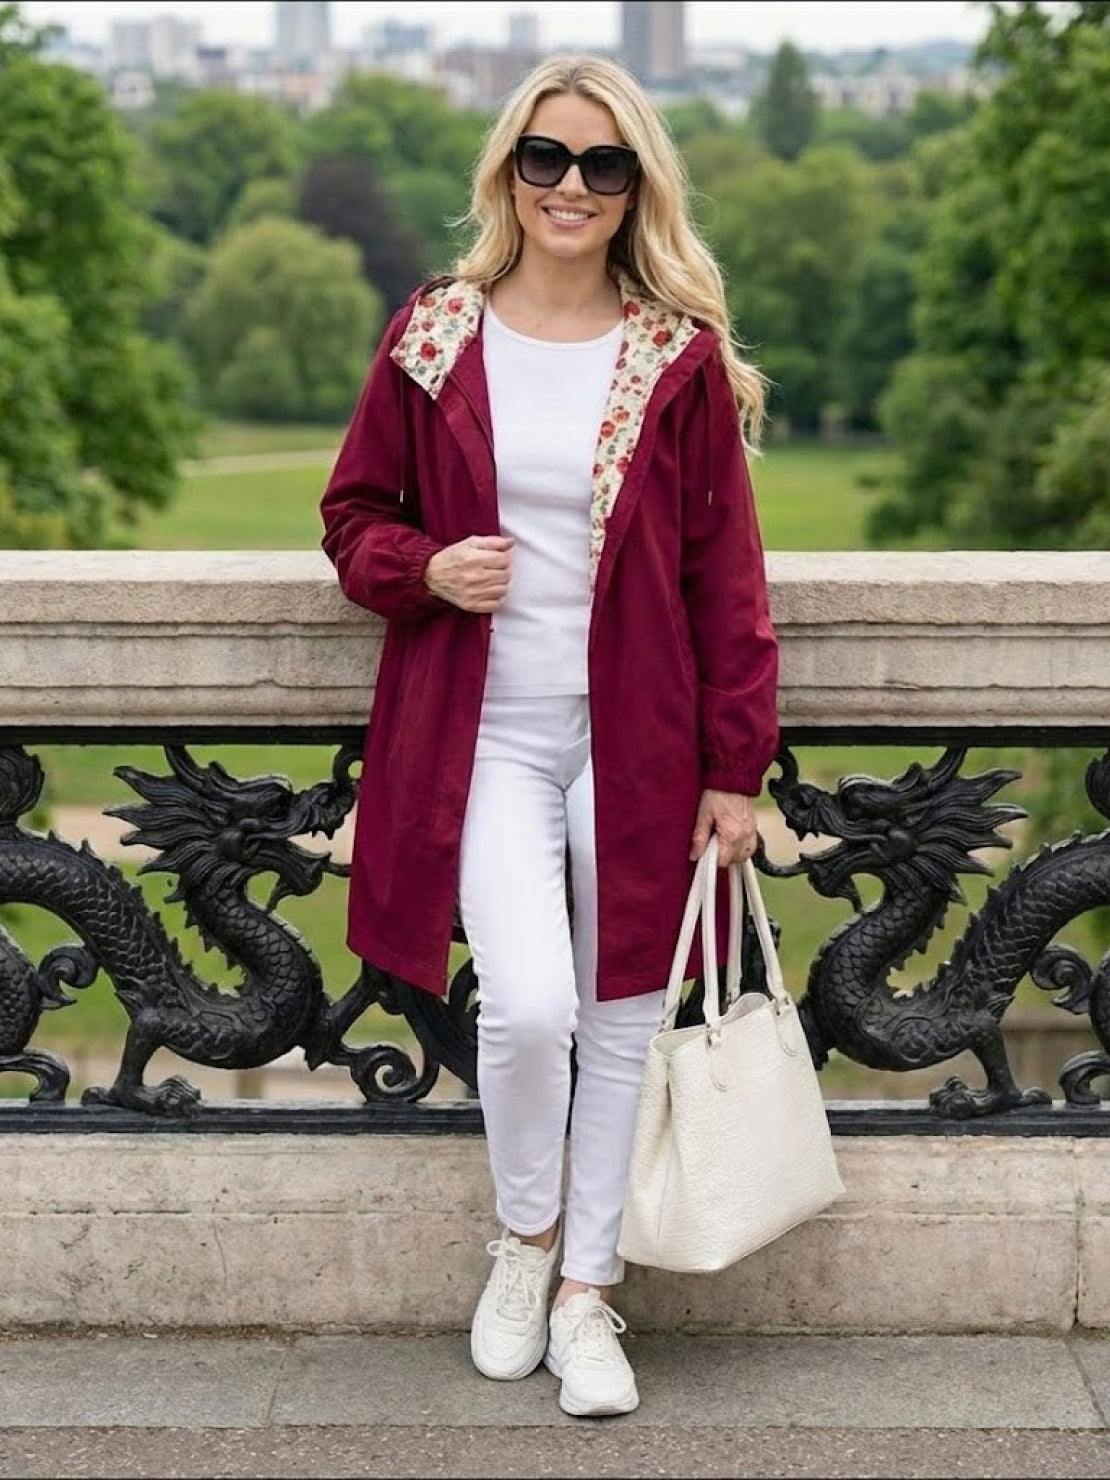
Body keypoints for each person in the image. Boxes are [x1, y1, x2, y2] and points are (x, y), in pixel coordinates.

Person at [319, 53, 779, 1420]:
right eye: (546, 159)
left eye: (602, 164)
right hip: (483, 739)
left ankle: (587, 1293)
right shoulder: (433, 335)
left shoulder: (674, 357)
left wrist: (729, 769)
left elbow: (726, 580)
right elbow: (352, 519)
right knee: (525, 1013)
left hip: (637, 741)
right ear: (508, 173)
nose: (570, 187)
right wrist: (423, 568)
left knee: (621, 1017)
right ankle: (518, 1248)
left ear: (637, 184)